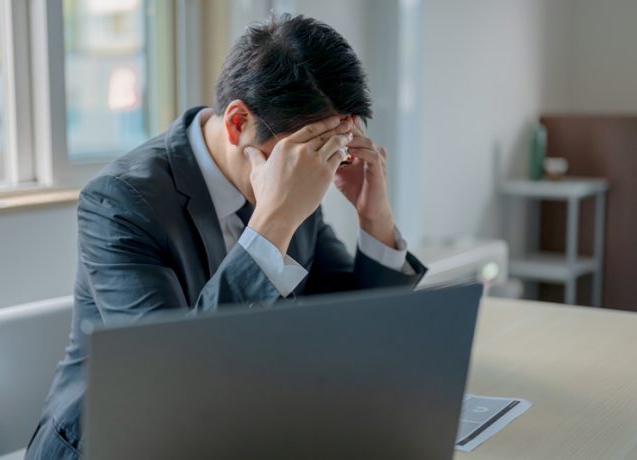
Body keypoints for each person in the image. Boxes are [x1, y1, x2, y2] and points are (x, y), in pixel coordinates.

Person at [25, 13, 426, 459]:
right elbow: (168, 382)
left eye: (331, 153)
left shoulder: (295, 173)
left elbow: (353, 333)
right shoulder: (119, 202)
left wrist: (375, 219)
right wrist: (273, 222)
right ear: (237, 123)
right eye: (309, 155)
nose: (320, 172)